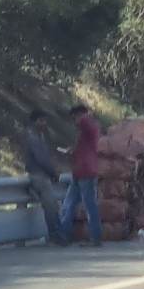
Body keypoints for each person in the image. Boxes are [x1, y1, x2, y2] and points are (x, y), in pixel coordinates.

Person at [57, 103, 102, 246]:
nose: (74, 122)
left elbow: (84, 122)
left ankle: (95, 237)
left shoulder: (87, 123)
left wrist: (82, 117)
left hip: (86, 171)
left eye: (74, 117)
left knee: (89, 205)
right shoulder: (86, 131)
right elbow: (84, 147)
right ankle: (64, 235)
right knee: (68, 204)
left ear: (79, 115)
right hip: (79, 171)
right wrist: (72, 150)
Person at [22, 109, 63, 244]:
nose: (44, 124)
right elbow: (41, 159)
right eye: (41, 121)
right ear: (35, 121)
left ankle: (56, 234)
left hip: (40, 175)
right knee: (51, 206)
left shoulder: (37, 136)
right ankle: (55, 235)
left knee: (51, 205)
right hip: (39, 175)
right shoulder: (33, 137)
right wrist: (53, 172)